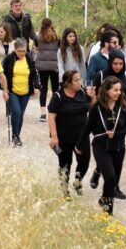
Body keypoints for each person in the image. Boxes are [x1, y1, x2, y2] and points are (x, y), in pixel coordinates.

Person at [76, 76, 126, 215]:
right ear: (107, 91)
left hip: (119, 147)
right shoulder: (97, 107)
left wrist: (117, 134)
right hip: (101, 147)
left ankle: (103, 198)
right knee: (111, 177)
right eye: (115, 90)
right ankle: (108, 212)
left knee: (113, 182)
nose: (119, 93)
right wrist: (79, 145)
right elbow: (88, 127)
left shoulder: (124, 105)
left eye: (120, 90)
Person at [48, 70, 95, 198]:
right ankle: (64, 189)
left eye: (80, 79)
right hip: (63, 138)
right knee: (65, 164)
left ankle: (78, 182)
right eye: (76, 80)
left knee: (84, 161)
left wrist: (94, 97)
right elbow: (51, 116)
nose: (79, 82)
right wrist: (54, 136)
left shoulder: (83, 93)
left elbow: (92, 108)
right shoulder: (58, 96)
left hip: (81, 137)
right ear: (67, 83)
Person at [3, 38, 41, 146]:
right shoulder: (9, 59)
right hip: (13, 91)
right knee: (16, 111)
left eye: (23, 51)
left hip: (25, 91)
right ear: (14, 50)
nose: (22, 53)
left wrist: (37, 86)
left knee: (21, 115)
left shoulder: (28, 58)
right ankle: (15, 135)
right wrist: (4, 90)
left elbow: (34, 73)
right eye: (19, 51)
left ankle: (17, 136)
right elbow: (2, 74)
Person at [36, 18, 59, 122]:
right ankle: (55, 111)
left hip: (42, 66)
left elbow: (36, 46)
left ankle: (43, 113)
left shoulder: (38, 36)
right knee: (55, 89)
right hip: (54, 65)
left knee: (43, 89)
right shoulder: (57, 36)